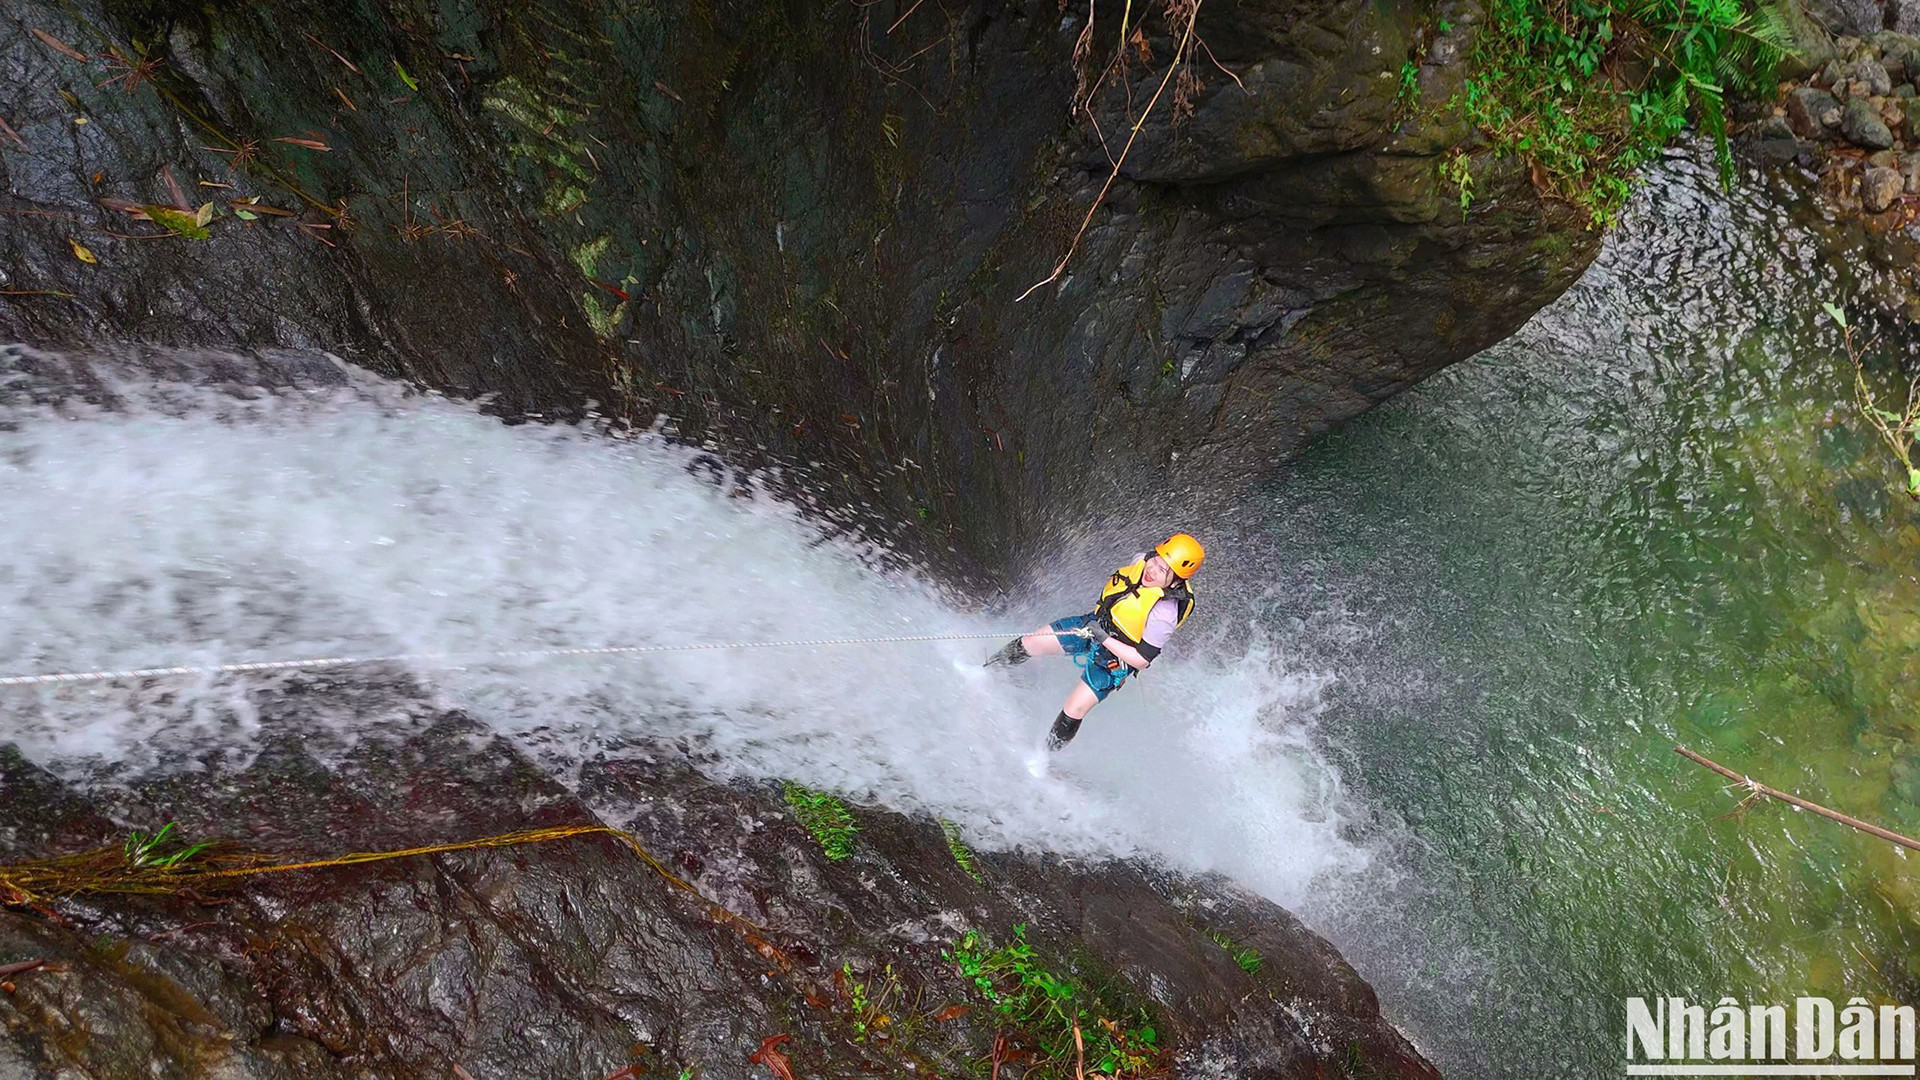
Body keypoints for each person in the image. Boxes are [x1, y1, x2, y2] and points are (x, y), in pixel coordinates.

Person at [984, 533, 1203, 750]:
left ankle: (1042, 757)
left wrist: (1104, 639)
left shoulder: (1164, 616)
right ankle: (985, 673)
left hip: (1117, 658)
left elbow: (1142, 659)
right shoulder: (1140, 561)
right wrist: (1099, 631)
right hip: (1094, 625)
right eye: (1155, 561)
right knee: (1033, 642)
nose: (1152, 570)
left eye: (1163, 570)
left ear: (1175, 582)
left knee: (1075, 708)